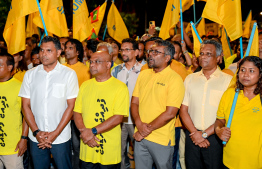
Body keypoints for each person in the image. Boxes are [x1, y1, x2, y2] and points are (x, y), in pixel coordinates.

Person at [19, 36, 79, 169]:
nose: (43, 54)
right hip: (36, 138)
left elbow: (71, 106)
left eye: (48, 51)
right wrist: (36, 132)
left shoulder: (69, 74)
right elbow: (25, 106)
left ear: (58, 53)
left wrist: (55, 133)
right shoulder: (30, 75)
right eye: (41, 50)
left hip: (61, 137)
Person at [131, 40, 185, 169]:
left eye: (156, 52)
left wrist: (145, 130)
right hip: (140, 136)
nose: (150, 54)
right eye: (150, 51)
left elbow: (170, 113)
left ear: (167, 58)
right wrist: (139, 125)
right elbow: (134, 102)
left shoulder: (174, 79)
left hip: (161, 139)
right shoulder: (143, 74)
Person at [179, 39, 233, 169]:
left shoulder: (228, 81)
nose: (203, 56)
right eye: (201, 53)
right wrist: (195, 133)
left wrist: (203, 135)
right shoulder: (190, 78)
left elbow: (227, 113)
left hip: (215, 138)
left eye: (208, 54)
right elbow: (183, 109)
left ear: (219, 58)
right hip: (192, 136)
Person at [73, 51, 129, 169]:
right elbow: (77, 112)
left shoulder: (120, 87)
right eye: (91, 61)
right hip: (87, 147)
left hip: (109, 151)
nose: (92, 65)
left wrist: (92, 132)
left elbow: (118, 117)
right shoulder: (85, 85)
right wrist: (85, 133)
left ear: (108, 65)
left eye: (97, 61)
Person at [215, 56, 262, 169]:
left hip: (256, 162)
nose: (245, 74)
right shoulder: (230, 94)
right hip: (230, 161)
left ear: (260, 75)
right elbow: (220, 120)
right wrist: (218, 131)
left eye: (251, 71)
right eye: (242, 70)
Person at [111, 38, 142, 169]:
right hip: (119, 118)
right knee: (119, 152)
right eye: (122, 50)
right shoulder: (116, 70)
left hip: (136, 119)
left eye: (127, 50)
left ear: (136, 52)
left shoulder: (144, 70)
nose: (123, 52)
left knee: (139, 152)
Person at [63, 38, 91, 169]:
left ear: (78, 52)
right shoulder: (61, 69)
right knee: (63, 145)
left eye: (70, 48)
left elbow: (86, 95)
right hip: (62, 114)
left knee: (76, 145)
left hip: (76, 115)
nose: (66, 50)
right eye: (66, 48)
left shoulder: (85, 70)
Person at [0, 53, 28, 169]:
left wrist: (23, 139)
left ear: (10, 67)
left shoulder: (19, 87)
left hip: (12, 146)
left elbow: (27, 116)